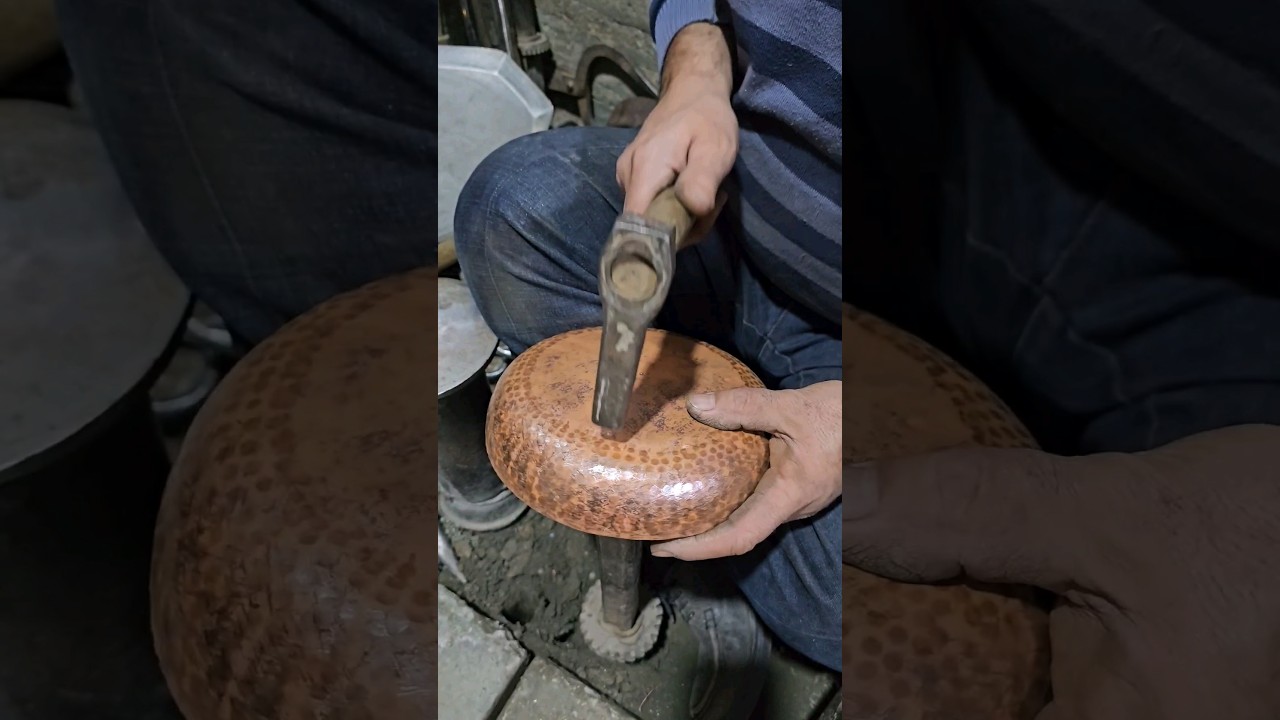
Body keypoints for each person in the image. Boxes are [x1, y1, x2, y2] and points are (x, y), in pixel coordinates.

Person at [453, 0, 845, 706]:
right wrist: (696, 68)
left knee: (852, 605)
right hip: (731, 222)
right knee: (509, 209)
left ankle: (707, 561)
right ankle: (666, 508)